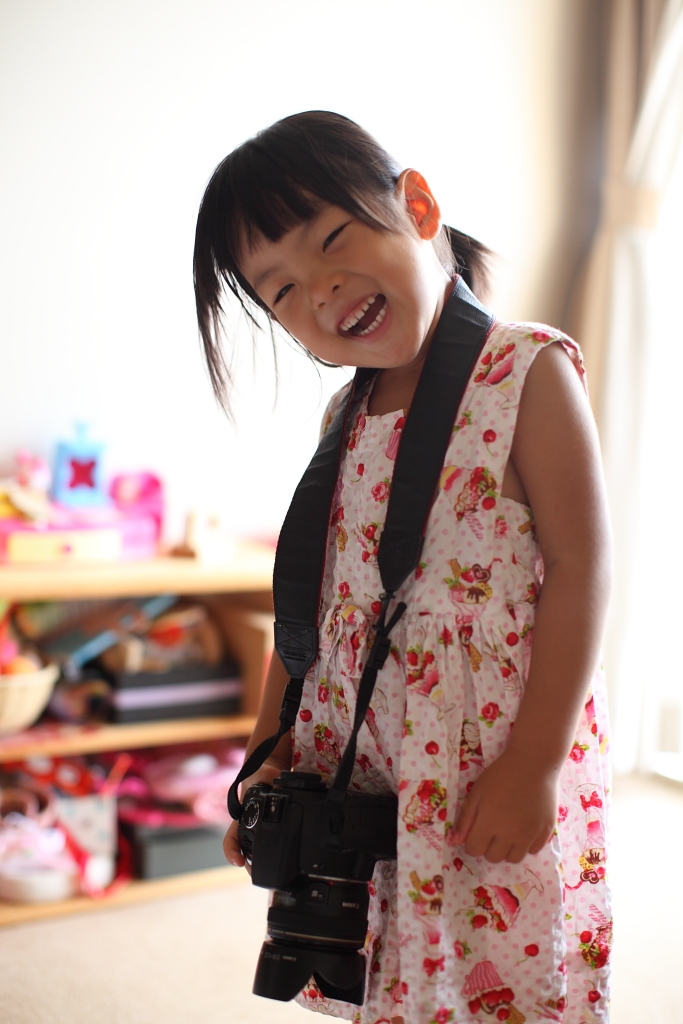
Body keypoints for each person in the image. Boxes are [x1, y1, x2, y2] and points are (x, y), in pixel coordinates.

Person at [193, 111, 613, 1024]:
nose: (322, 290)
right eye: (281, 289)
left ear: (416, 206)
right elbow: (311, 611)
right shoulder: (342, 418)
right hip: (363, 761)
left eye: (332, 241)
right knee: (391, 972)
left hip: (485, 754)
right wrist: (267, 754)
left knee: (494, 966)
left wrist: (534, 762)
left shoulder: (523, 369)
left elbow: (582, 565)